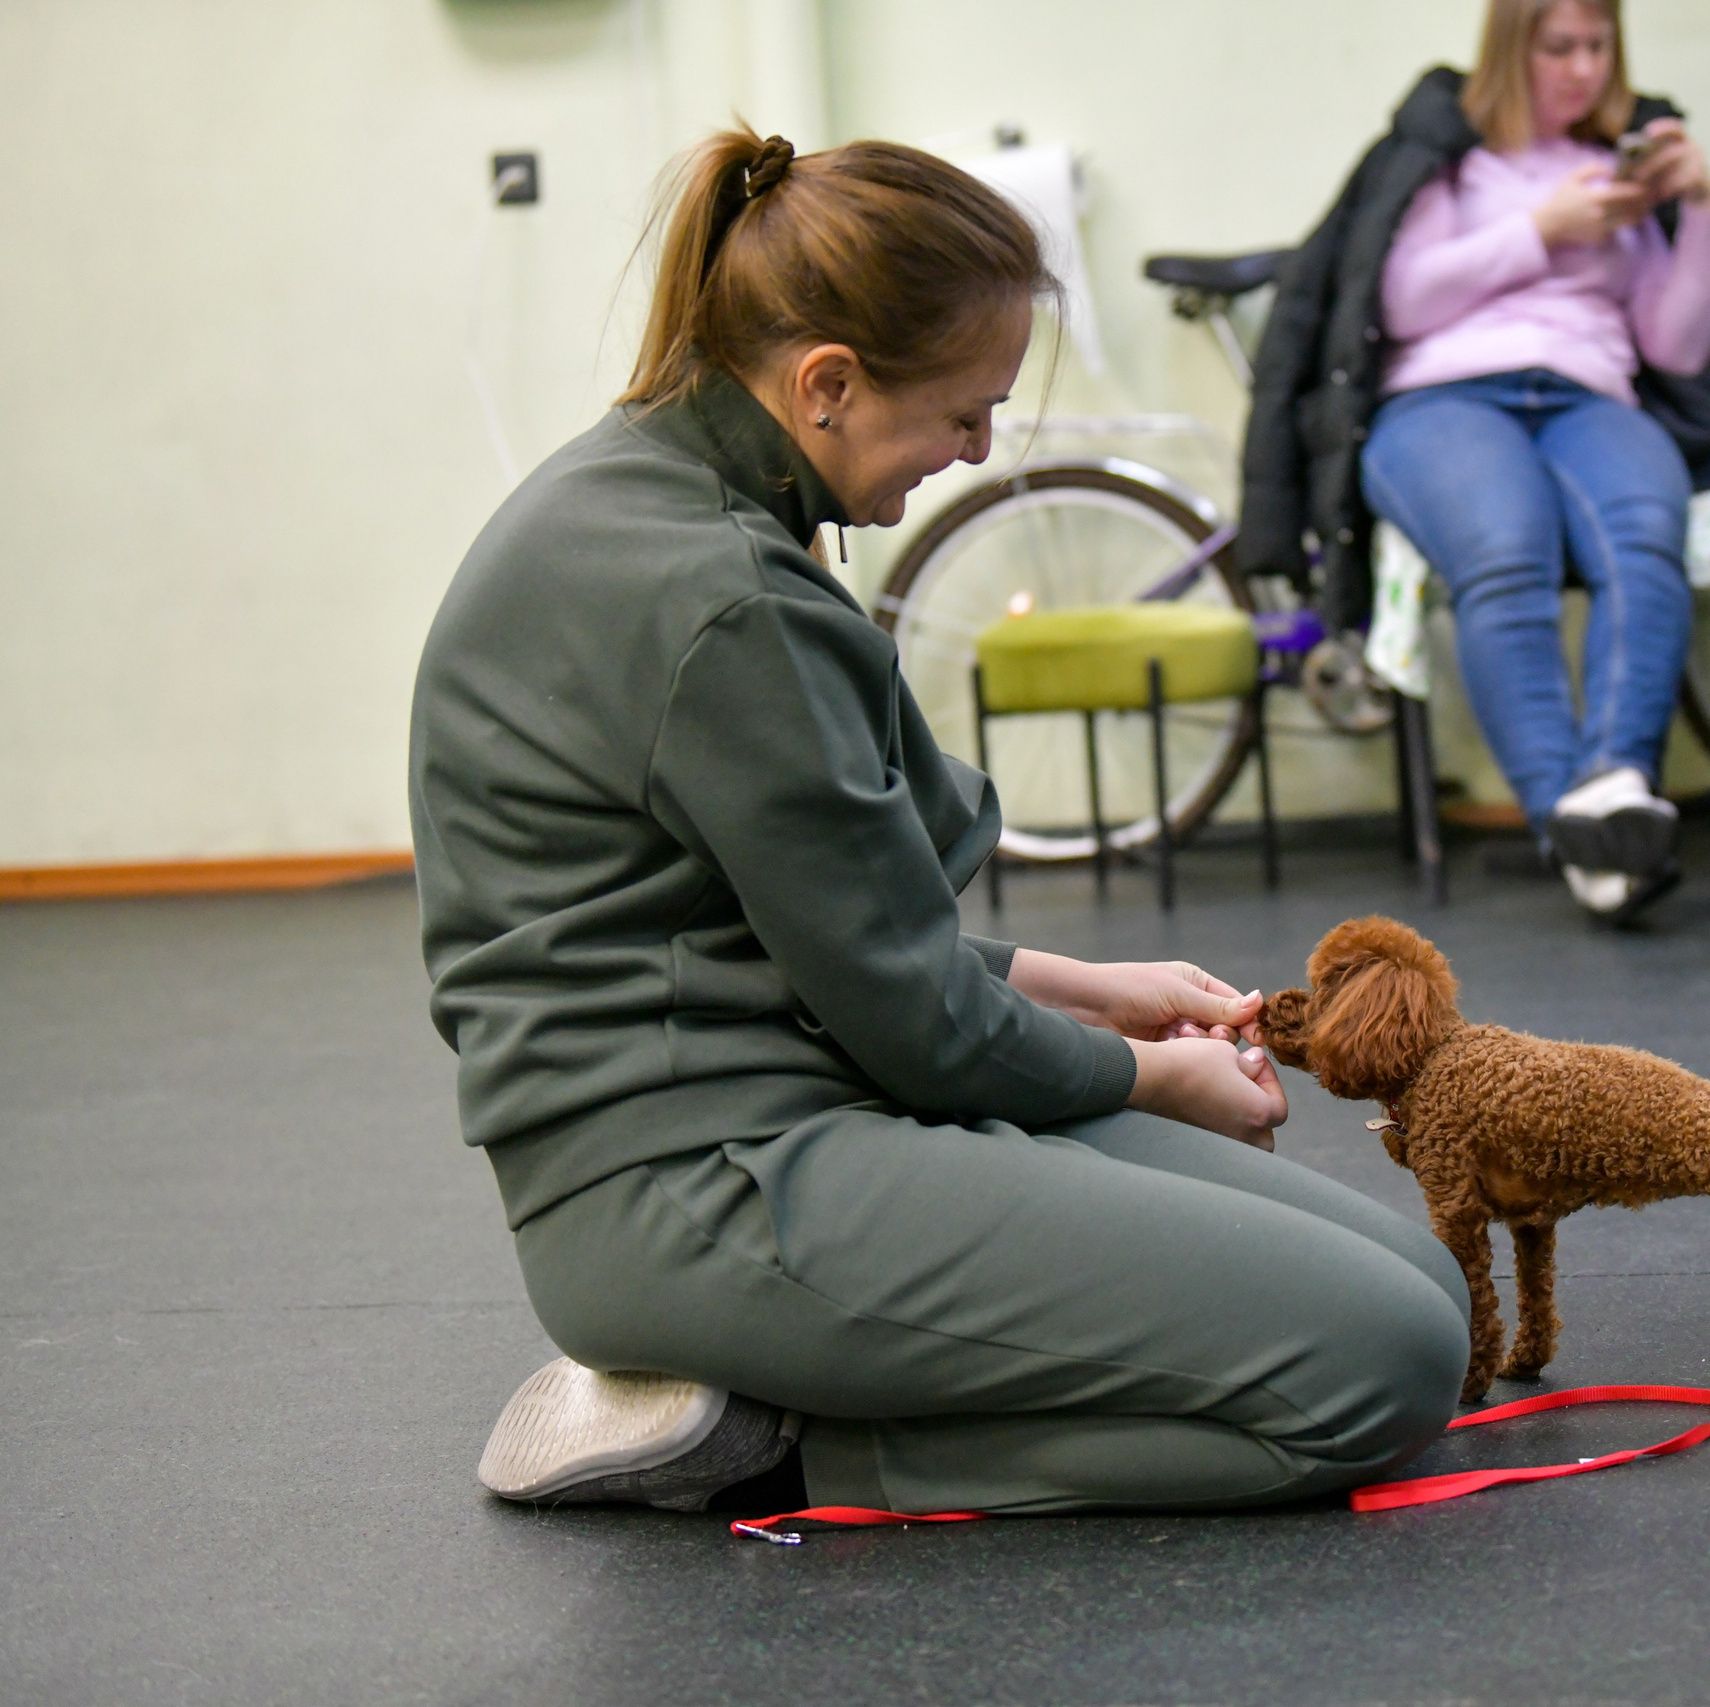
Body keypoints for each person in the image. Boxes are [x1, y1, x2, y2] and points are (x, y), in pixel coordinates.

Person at [410, 130, 1468, 1518]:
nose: (972, 451)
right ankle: (774, 1437)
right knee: (1379, 1364)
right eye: (965, 413)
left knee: (1428, 1289)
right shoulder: (723, 599)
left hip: (804, 1093)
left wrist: (1107, 991)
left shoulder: (675, 497)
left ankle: (829, 1380)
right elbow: (921, 1022)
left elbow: (826, 929)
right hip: (698, 1191)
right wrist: (1157, 1074)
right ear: (828, 384)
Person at [1242, 0, 1710, 924]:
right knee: (1507, 554)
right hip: (1444, 396)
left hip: (1590, 392)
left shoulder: (1618, 166)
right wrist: (1545, 228)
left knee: (1644, 544)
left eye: (1599, 47)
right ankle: (1572, 826)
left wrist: (1702, 209)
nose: (1584, 69)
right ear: (1512, 48)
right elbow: (1402, 298)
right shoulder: (1450, 156)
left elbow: (1680, 344)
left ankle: (1615, 787)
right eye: (1560, 48)